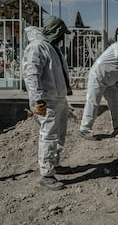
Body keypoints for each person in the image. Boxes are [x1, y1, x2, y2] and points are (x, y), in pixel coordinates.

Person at [22, 17, 72, 191]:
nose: (62, 38)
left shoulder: (51, 47)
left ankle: (55, 164)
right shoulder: (37, 47)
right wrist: (38, 101)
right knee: (48, 135)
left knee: (59, 135)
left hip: (58, 99)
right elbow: (31, 75)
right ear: (56, 32)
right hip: (46, 101)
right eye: (61, 34)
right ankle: (46, 174)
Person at [79, 38, 118, 140]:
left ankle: (117, 123)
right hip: (98, 76)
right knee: (93, 102)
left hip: (110, 82)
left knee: (115, 101)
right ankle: (85, 129)